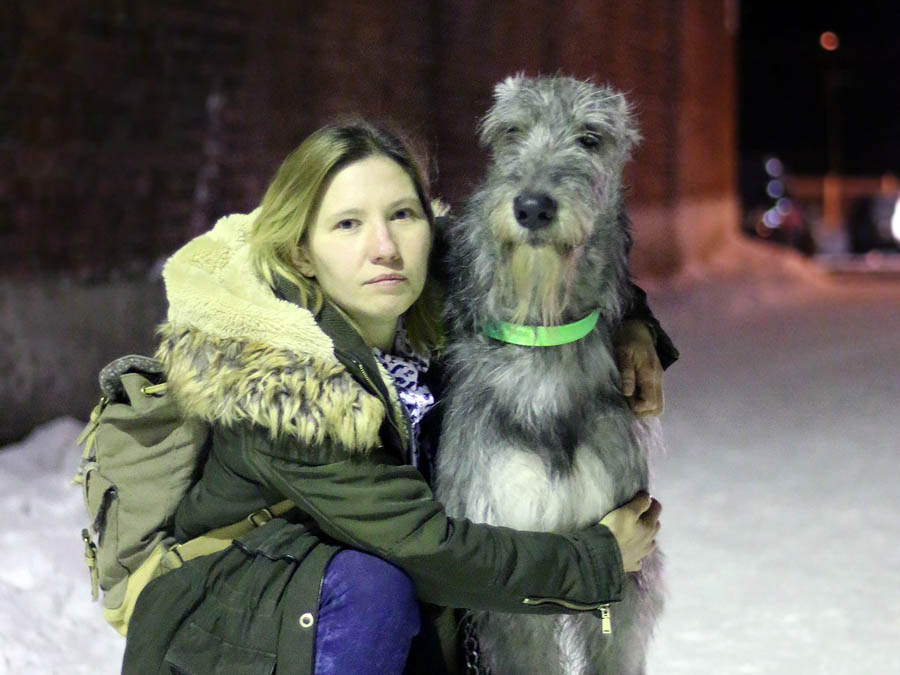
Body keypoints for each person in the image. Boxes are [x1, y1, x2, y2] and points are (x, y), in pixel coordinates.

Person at [122, 120, 675, 674]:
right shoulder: (283, 384)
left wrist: (632, 323)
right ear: (301, 254)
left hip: (349, 615)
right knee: (376, 587)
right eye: (347, 224)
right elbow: (427, 549)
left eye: (403, 216)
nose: (383, 248)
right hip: (233, 631)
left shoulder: (422, 299)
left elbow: (554, 253)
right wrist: (599, 559)